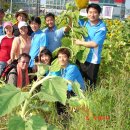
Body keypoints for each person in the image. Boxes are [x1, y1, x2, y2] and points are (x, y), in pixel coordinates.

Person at [74, 3, 107, 88]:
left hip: (92, 59)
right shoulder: (85, 22)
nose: (92, 15)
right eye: (90, 12)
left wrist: (80, 43)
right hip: (81, 57)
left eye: (95, 12)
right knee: (79, 81)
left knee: (90, 84)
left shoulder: (101, 28)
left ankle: (89, 100)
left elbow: (94, 44)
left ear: (99, 14)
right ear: (87, 13)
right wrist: (78, 8)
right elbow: (73, 21)